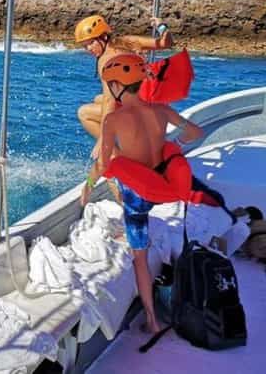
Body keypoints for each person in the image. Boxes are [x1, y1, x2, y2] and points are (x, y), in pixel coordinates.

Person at [80, 54, 203, 334]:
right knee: (138, 200)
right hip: (159, 189)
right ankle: (151, 314)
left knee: (140, 259)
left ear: (118, 86)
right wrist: (171, 144)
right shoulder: (162, 110)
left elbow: (103, 165)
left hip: (136, 198)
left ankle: (151, 319)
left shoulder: (113, 119)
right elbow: (195, 132)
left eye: (110, 84)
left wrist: (87, 185)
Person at [74, 14, 173, 157]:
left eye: (91, 43)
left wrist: (103, 139)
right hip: (157, 103)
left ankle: (116, 157)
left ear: (103, 37)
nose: (88, 49)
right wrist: (161, 26)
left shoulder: (107, 62)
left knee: (84, 113)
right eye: (85, 46)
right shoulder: (127, 41)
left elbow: (110, 101)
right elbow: (166, 43)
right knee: (97, 99)